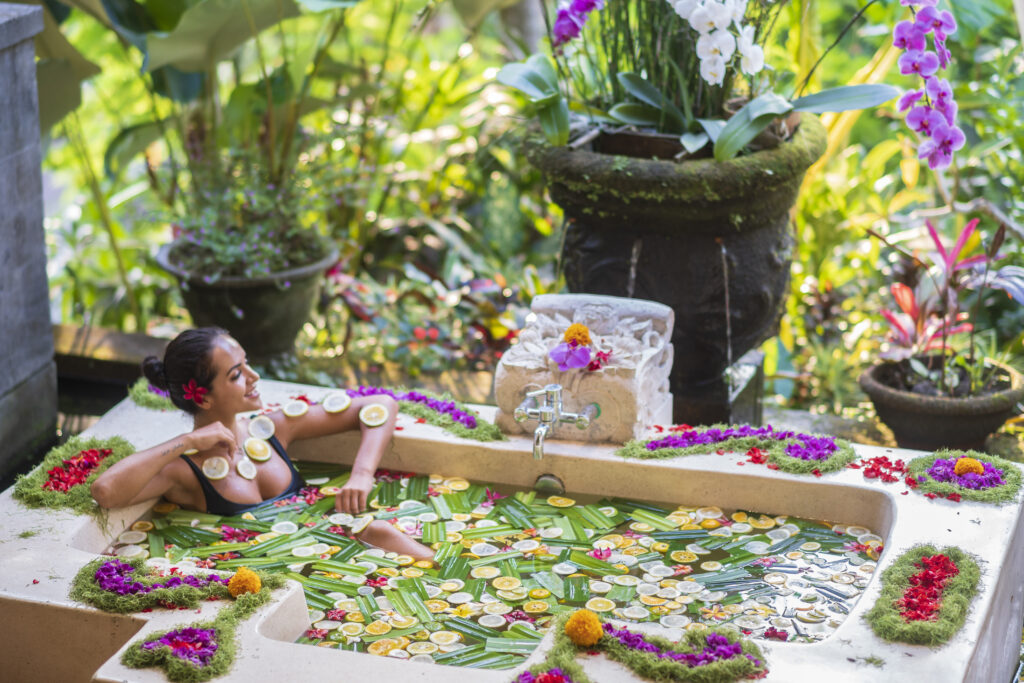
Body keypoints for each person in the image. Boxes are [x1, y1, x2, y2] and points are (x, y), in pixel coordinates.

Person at [91, 327, 433, 560]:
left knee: (381, 531)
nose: (254, 378)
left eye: (246, 363)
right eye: (236, 374)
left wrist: (361, 475)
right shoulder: (183, 471)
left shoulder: (270, 429)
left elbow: (381, 405)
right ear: (205, 399)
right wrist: (189, 440)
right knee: (381, 533)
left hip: (326, 552)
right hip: (269, 571)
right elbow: (105, 490)